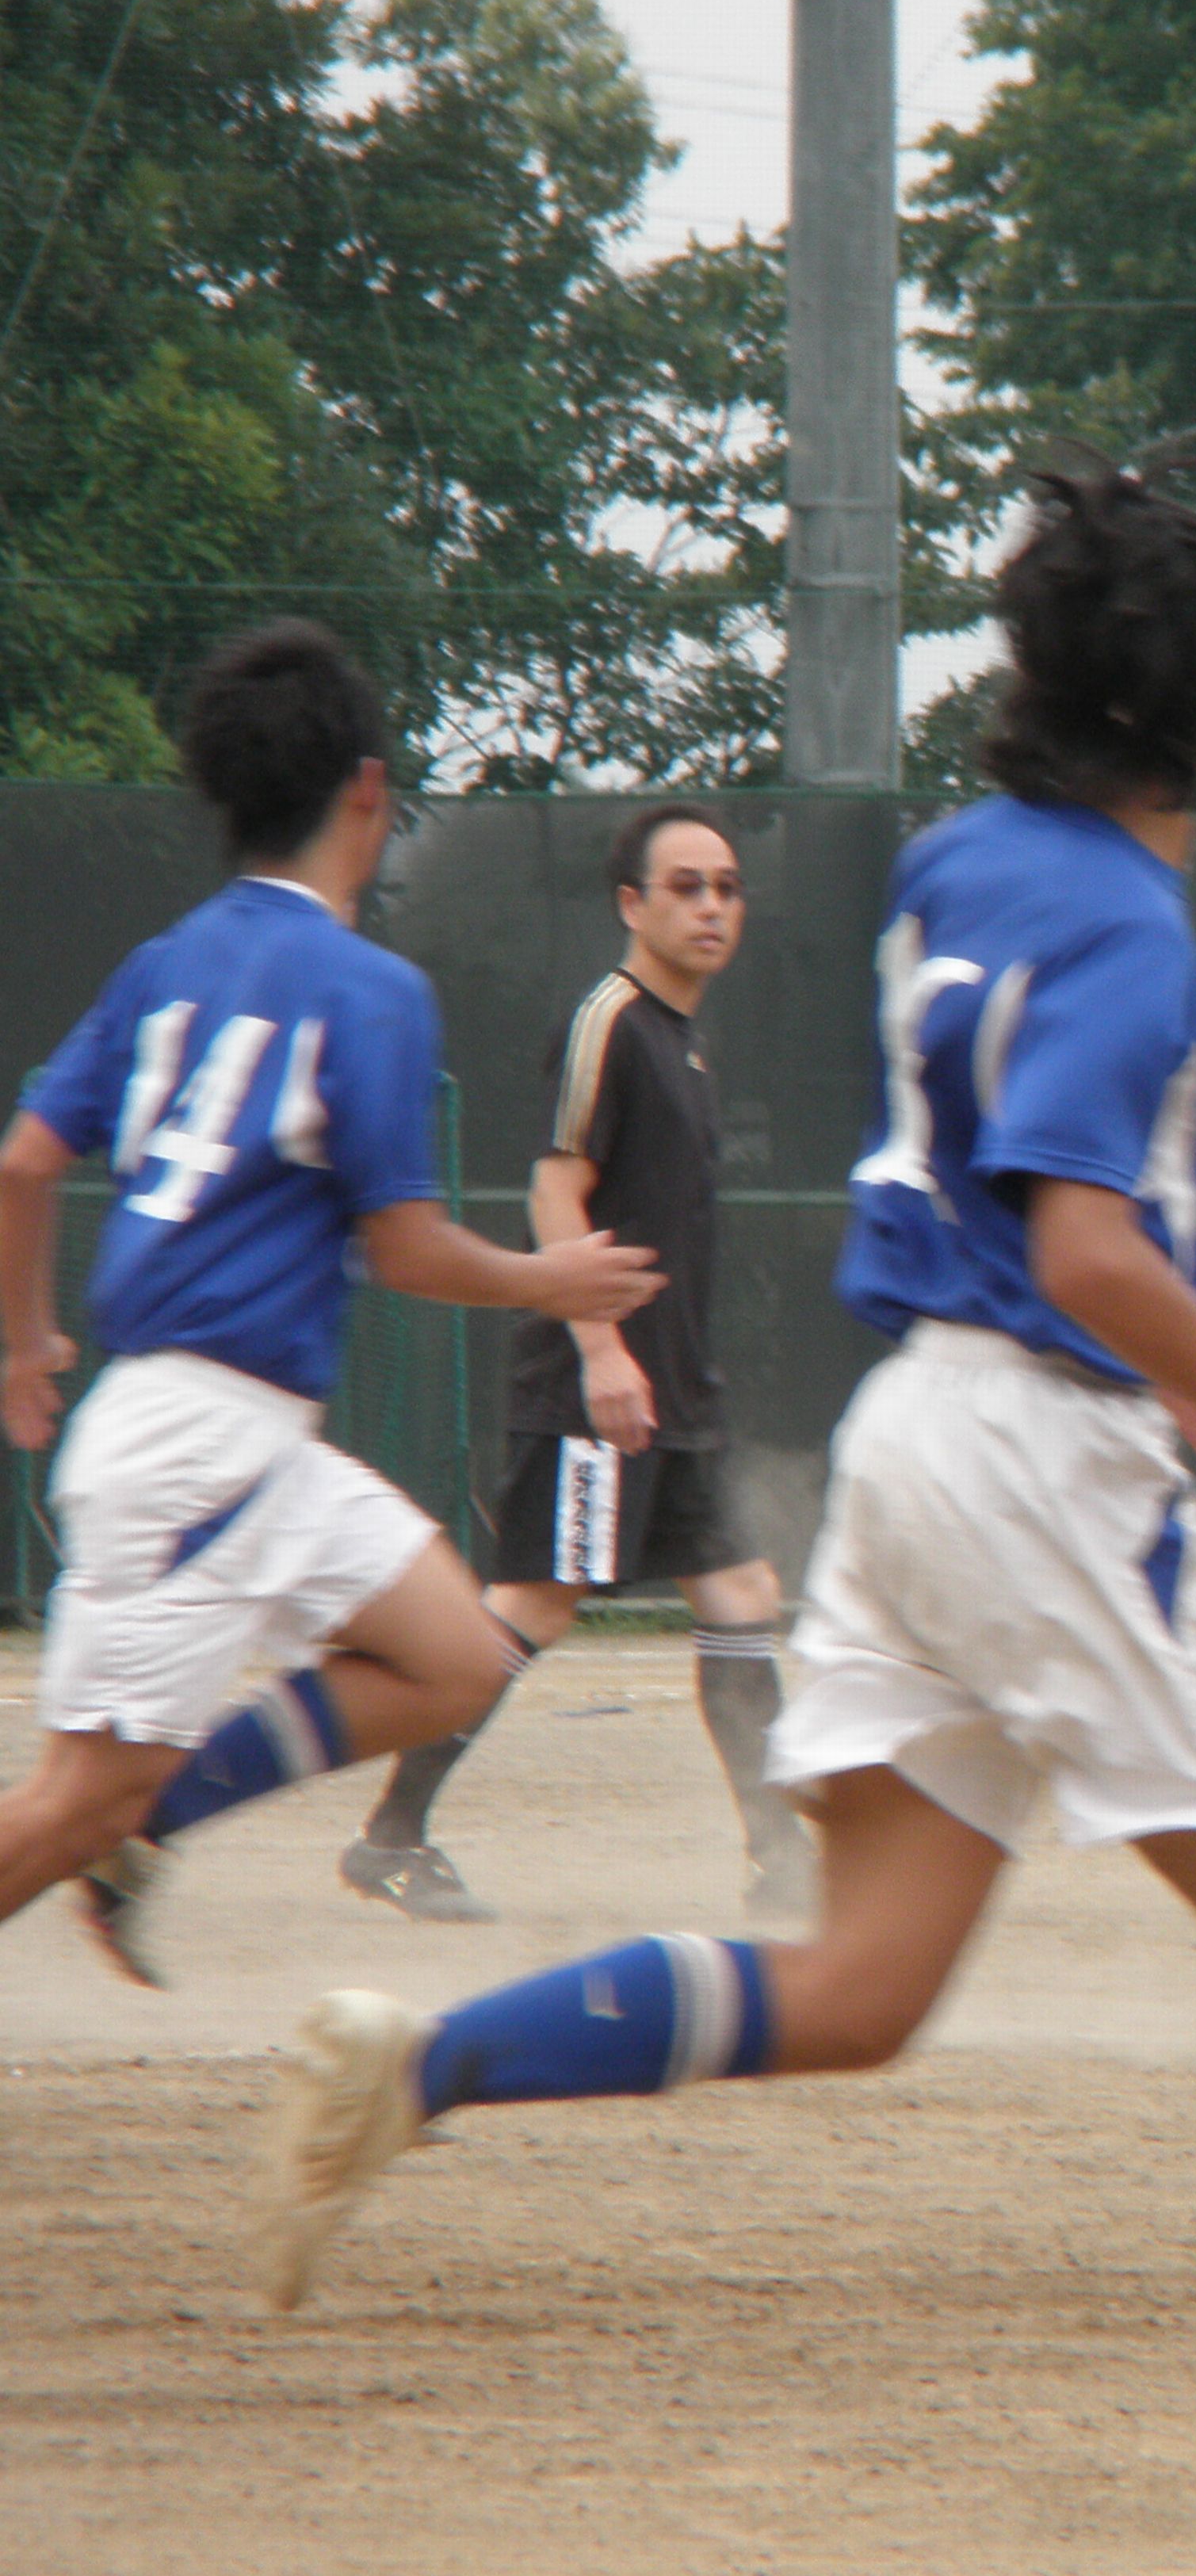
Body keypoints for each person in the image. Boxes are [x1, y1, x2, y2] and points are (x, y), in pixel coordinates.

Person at [256, 461, 1196, 2532]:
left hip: (918, 1449)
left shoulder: (961, 863)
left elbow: (1043, 1218)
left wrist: (1171, 1369)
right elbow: (1082, 1249)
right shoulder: (1128, 919)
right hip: (1042, 1457)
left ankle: (420, 2064)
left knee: (862, 1989)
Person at [0, 621, 663, 1986]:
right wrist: (552, 1278)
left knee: (457, 1657)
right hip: (199, 1451)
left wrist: (26, 1341)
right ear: (369, 789)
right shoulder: (368, 987)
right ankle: (124, 1825)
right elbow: (405, 1249)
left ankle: (154, 1824)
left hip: (232, 1444)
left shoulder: (168, 959)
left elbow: (24, 1158)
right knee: (65, 1807)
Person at [339, 801, 808, 1924]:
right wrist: (602, 1356)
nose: (710, 905)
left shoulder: (686, 1038)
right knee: (534, 1608)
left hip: (675, 1388)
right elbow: (556, 1187)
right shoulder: (612, 1019)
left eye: (726, 886)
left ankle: (782, 1860)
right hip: (601, 1389)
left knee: (742, 1594)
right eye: (685, 885)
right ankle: (393, 1834)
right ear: (630, 905)